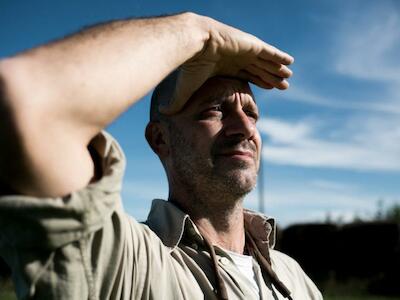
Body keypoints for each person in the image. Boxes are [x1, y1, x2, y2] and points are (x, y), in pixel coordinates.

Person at [0, 12, 322, 299]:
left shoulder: (293, 278)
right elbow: (26, 103)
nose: (243, 127)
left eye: (251, 113)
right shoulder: (132, 266)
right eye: (215, 109)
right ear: (160, 139)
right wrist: (199, 32)